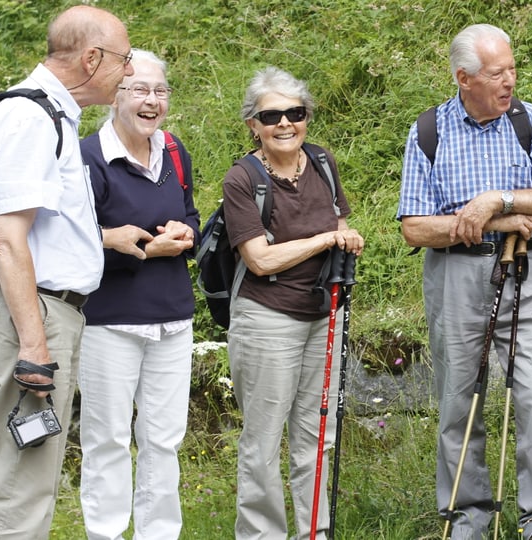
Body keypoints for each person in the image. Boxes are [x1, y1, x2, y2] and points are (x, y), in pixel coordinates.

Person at [0, 6, 151, 539]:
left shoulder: (51, 117)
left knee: (33, 476)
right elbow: (9, 238)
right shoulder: (30, 118)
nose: (129, 69)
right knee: (20, 485)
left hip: (46, 309)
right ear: (92, 59)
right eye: (124, 58)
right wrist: (34, 344)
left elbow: (42, 232)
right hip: (34, 314)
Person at [397, 23, 532, 540]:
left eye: (512, 69)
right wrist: (488, 222)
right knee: (459, 396)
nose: (509, 82)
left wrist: (500, 199)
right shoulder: (429, 130)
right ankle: (465, 517)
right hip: (455, 274)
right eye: (497, 73)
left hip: (527, 268)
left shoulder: (529, 121)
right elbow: (413, 226)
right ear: (464, 78)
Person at [223, 66, 364, 540]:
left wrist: (345, 238)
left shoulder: (322, 161)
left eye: (295, 113)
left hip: (325, 312)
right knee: (262, 440)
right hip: (266, 318)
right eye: (272, 115)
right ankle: (262, 536)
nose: (285, 123)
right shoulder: (243, 179)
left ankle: (313, 533)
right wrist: (327, 238)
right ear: (253, 125)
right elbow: (259, 260)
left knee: (316, 435)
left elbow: (340, 222)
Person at [78, 49, 199, 540]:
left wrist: (182, 233)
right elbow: (67, 241)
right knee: (106, 440)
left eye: (160, 91)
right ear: (115, 96)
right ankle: (105, 534)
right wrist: (129, 244)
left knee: (164, 441)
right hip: (110, 321)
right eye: (139, 90)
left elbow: (191, 217)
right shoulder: (88, 157)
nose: (151, 101)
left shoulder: (174, 151)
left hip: (173, 318)